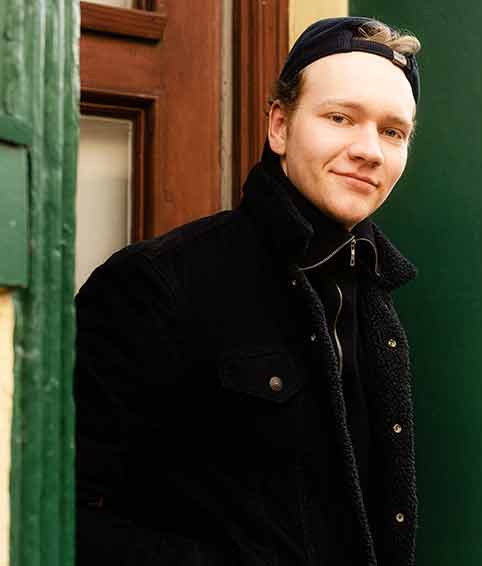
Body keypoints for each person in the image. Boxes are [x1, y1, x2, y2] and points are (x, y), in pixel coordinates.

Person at [75, 17, 421, 566]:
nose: (370, 150)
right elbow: (57, 513)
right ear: (279, 126)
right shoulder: (155, 283)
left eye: (393, 132)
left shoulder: (374, 294)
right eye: (340, 118)